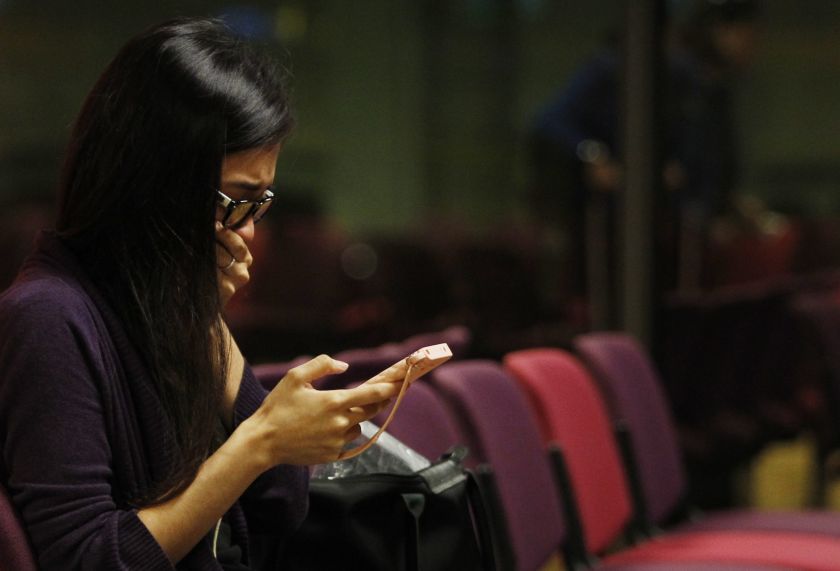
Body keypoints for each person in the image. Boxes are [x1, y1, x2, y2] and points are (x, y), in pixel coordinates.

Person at [0, 18, 406, 570]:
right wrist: (258, 442)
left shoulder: (157, 304)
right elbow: (88, 559)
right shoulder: (48, 318)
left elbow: (282, 502)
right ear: (155, 183)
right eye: (236, 201)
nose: (247, 234)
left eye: (260, 203)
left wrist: (205, 320)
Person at [528, 0, 760, 321]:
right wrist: (592, 154)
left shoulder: (687, 77)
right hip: (613, 222)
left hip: (673, 223)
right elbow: (550, 122)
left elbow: (696, 151)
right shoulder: (610, 69)